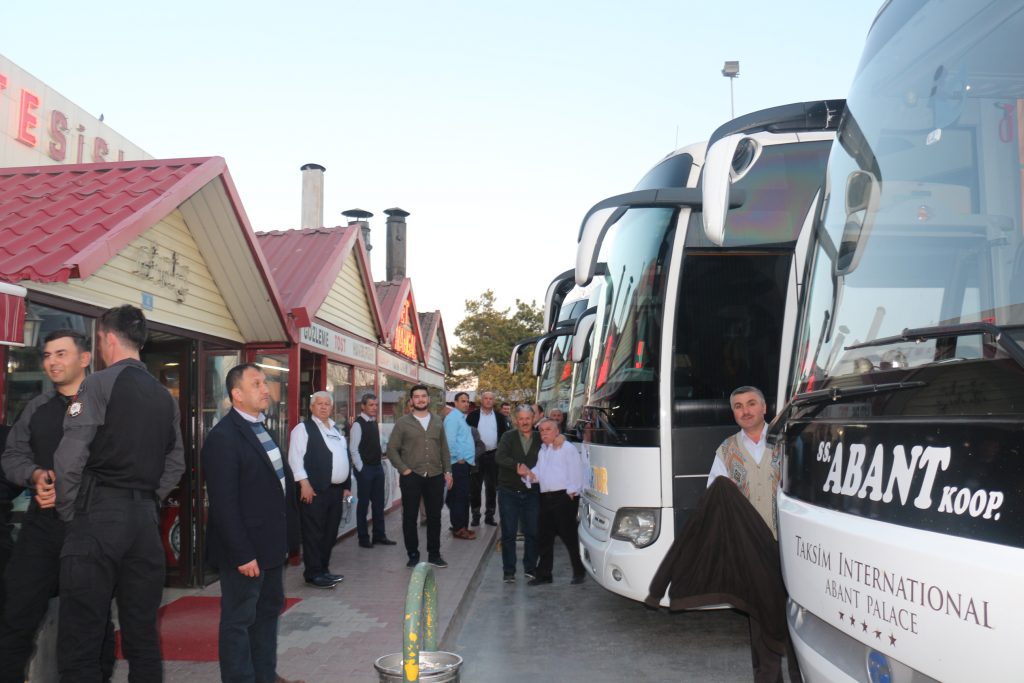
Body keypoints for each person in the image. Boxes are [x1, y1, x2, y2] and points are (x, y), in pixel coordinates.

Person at [51, 306, 186, 681]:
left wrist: (71, 509)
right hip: (144, 524)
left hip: (98, 516)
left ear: (108, 339)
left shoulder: (96, 384)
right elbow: (176, 464)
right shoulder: (164, 397)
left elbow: (70, 457)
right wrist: (147, 500)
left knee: (82, 635)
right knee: (142, 636)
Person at [0, 330, 115, 683]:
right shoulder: (37, 407)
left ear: (84, 359)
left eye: (61, 354)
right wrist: (34, 475)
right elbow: (12, 456)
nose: (52, 361)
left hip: (88, 528)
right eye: (48, 355)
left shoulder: (107, 408)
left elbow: (124, 465)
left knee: (89, 620)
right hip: (41, 528)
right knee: (15, 615)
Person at [203, 363, 303, 683]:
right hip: (245, 553)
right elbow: (224, 504)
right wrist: (243, 553)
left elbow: (276, 486)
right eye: (256, 383)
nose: (265, 389)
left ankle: (265, 675)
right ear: (237, 395)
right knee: (238, 622)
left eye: (264, 382)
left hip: (271, 547)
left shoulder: (262, 427)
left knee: (267, 615)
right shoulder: (223, 437)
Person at [288, 391, 351, 588]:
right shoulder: (302, 429)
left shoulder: (336, 430)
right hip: (314, 490)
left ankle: (323, 569)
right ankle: (313, 573)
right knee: (313, 533)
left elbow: (343, 457)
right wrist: (304, 484)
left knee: (330, 533)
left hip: (335, 490)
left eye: (327, 404)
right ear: (311, 407)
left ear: (331, 408)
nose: (323, 407)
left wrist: (346, 487)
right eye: (319, 404)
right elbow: (295, 459)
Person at [386, 385, 452, 568]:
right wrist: (403, 469)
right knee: (409, 517)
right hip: (412, 476)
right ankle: (413, 555)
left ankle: (434, 554)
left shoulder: (438, 421)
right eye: (417, 397)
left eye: (424, 396)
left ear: (428, 399)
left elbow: (444, 449)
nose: (421, 399)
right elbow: (391, 449)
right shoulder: (403, 423)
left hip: (435, 475)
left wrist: (448, 471)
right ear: (411, 401)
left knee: (434, 517)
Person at [524, 419, 586, 586]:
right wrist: (528, 474)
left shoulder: (567, 448)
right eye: (542, 430)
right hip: (545, 498)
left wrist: (572, 493)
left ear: (557, 431)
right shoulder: (543, 450)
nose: (544, 432)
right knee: (544, 537)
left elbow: (576, 470)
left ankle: (579, 571)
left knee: (569, 537)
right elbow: (539, 471)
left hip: (564, 498)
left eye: (548, 429)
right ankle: (544, 574)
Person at [494, 404, 541, 583]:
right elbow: (499, 457)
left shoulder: (539, 437)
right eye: (520, 419)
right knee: (509, 533)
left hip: (532, 493)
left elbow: (554, 439)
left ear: (533, 418)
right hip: (509, 492)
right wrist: (517, 467)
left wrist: (559, 437)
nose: (524, 422)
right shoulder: (508, 436)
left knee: (532, 532)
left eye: (527, 418)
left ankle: (530, 568)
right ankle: (509, 572)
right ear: (516, 420)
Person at [349, 393, 396, 549]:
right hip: (365, 470)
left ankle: (379, 535)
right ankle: (363, 538)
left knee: (378, 504)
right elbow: (353, 449)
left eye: (376, 405)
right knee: (363, 505)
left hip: (377, 468)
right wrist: (361, 469)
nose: (374, 408)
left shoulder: (374, 422)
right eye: (371, 405)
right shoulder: (358, 424)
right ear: (363, 406)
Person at [465, 390, 509, 527]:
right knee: (475, 487)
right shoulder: (472, 416)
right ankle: (476, 516)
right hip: (476, 456)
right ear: (481, 400)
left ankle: (489, 516)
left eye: (491, 398)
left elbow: (504, 437)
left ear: (493, 401)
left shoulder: (500, 417)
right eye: (486, 398)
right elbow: (466, 436)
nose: (488, 401)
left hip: (493, 456)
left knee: (491, 487)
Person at [443, 392, 476, 540]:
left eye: (467, 401)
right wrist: (458, 457)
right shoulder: (453, 419)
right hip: (457, 464)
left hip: (464, 464)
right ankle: (458, 528)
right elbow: (449, 441)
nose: (466, 404)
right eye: (463, 401)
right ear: (455, 403)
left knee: (462, 497)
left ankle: (462, 526)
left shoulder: (461, 418)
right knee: (458, 497)